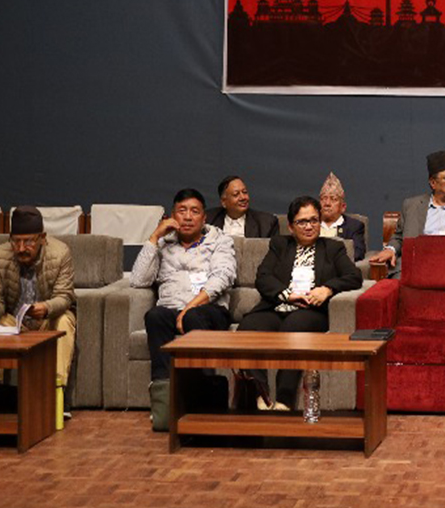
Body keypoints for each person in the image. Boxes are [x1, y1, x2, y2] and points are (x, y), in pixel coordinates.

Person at [239, 195, 362, 408]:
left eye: (314, 220)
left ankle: (284, 400)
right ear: (291, 226)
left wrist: (328, 288)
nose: (309, 227)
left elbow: (354, 276)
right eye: (302, 222)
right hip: (278, 306)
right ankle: (261, 395)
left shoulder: (333, 248)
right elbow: (263, 277)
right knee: (248, 327)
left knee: (295, 327)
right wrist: (287, 294)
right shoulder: (280, 245)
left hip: (311, 312)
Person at [130, 188, 237, 431]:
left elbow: (222, 277)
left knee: (194, 317)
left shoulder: (220, 241)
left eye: (194, 212)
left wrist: (188, 308)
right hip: (170, 308)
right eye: (182, 211)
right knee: (154, 316)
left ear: (204, 218)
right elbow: (138, 280)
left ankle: (201, 398)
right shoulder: (164, 244)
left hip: (209, 310)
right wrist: (154, 237)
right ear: (172, 216)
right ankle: (165, 402)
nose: (188, 217)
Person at [0, 207, 78, 410]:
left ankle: (56, 396)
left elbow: (65, 296)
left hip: (47, 320)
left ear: (42, 238)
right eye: (16, 241)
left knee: (65, 320)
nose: (21, 248)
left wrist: (46, 307)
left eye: (29, 241)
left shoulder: (60, 253)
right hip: (15, 322)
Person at [369, 150, 445, 269]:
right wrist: (390, 250)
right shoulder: (411, 205)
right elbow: (398, 237)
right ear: (433, 183)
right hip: (417, 264)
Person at [206, 175, 279, 240]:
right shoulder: (208, 220)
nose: (243, 197)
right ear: (224, 202)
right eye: (236, 194)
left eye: (245, 192)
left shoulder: (266, 224)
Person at [318, 172, 367, 262]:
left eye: (333, 199)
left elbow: (358, 253)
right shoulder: (310, 224)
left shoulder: (354, 227)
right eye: (324, 198)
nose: (327, 203)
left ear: (343, 207)